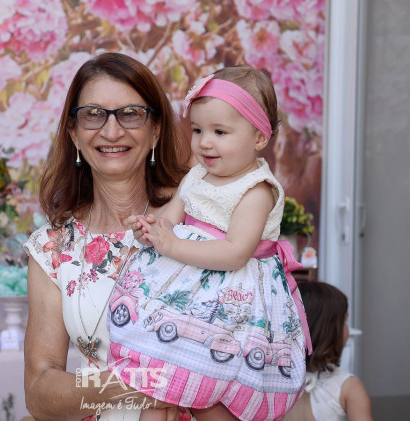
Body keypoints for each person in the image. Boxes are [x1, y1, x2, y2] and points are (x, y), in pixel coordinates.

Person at [106, 66, 312, 421]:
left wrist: (172, 246)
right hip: (185, 290)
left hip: (231, 303)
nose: (204, 142)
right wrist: (151, 227)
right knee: (157, 385)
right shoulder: (197, 174)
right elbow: (171, 217)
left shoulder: (256, 190)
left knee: (211, 392)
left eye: (219, 131)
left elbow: (234, 253)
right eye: (198, 130)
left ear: (258, 137)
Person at [23, 52, 193, 421]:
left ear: (156, 129)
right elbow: (38, 392)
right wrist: (135, 383)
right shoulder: (53, 247)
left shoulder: (199, 219)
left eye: (130, 114)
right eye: (93, 114)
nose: (112, 131)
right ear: (74, 133)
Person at [283, 281, 373, 421]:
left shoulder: (268, 382)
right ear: (329, 331)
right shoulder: (349, 387)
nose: (348, 330)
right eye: (344, 321)